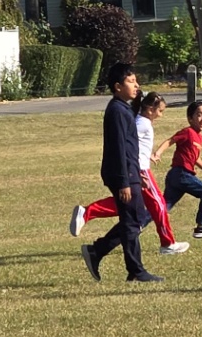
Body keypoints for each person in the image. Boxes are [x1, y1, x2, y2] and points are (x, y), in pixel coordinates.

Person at [69, 92, 187, 255]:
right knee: (159, 204)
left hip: (138, 168)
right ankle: (167, 243)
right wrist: (138, 171)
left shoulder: (142, 120)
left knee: (128, 205)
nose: (161, 115)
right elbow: (128, 143)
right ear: (151, 109)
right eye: (161, 111)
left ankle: (88, 212)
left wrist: (150, 155)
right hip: (141, 171)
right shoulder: (143, 123)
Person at [81, 64, 163, 284]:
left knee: (135, 218)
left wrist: (140, 173)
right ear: (117, 87)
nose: (136, 85)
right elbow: (118, 148)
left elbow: (130, 147)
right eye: (130, 82)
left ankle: (97, 251)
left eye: (136, 81)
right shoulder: (117, 110)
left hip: (130, 172)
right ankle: (135, 270)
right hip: (122, 175)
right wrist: (124, 182)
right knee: (131, 221)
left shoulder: (124, 108)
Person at [159, 102, 202, 240]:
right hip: (181, 174)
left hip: (177, 176)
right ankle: (201, 227)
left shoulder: (199, 137)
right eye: (199, 115)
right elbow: (170, 141)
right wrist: (157, 153)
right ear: (190, 118)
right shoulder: (187, 132)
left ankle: (136, 225)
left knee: (162, 208)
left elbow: (195, 157)